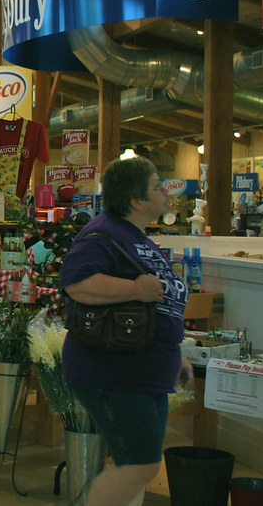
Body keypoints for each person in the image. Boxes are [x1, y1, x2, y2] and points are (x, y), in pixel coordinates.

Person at [60, 156, 191, 506]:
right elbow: (77, 283)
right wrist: (134, 289)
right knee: (139, 466)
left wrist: (177, 356)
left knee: (138, 464)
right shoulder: (103, 234)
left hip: (142, 370)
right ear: (136, 200)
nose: (164, 191)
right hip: (113, 370)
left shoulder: (134, 236)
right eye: (157, 185)